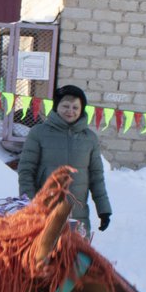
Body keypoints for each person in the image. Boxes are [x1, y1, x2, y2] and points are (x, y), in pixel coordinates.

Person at [17, 84, 112, 236]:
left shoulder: (89, 138)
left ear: (82, 109)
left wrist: (104, 210)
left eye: (75, 107)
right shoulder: (39, 133)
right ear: (56, 107)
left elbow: (96, 177)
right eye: (66, 106)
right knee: (44, 258)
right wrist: (30, 203)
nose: (70, 111)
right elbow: (26, 171)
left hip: (78, 215)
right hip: (44, 213)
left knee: (76, 258)